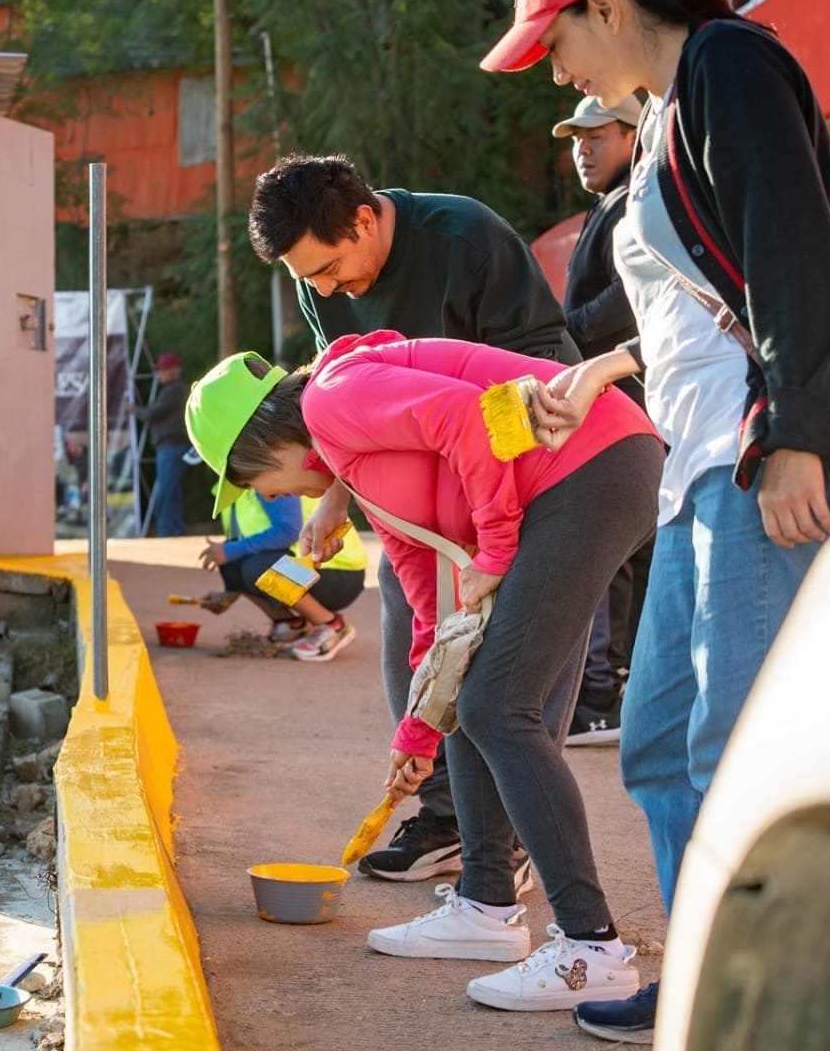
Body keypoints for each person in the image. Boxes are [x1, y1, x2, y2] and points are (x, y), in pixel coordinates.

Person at [483, 0, 830, 1039]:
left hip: (755, 459)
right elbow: (692, 302)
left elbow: (797, 253)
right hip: (693, 467)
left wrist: (794, 435)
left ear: (606, 4)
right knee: (658, 741)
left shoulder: (728, 64)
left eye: (554, 41)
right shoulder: (662, 113)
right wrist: (604, 370)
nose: (554, 69)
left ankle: (773, 995)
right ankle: (718, 969)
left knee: (731, 745)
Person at [186, 334, 662, 1011]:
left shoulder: (333, 398)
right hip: (576, 479)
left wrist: (496, 548)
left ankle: (591, 948)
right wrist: (417, 732)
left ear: (262, 450)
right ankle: (485, 906)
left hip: (590, 464)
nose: (274, 493)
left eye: (257, 483)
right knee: (472, 695)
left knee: (500, 709)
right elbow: (435, 615)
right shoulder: (365, 469)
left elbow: (467, 415)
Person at [247, 153, 581, 882]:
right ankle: (443, 813)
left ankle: (513, 834)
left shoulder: (464, 236)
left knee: (521, 644)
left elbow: (528, 376)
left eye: (332, 270)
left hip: (539, 452)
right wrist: (337, 496)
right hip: (439, 477)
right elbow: (343, 385)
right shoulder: (325, 282)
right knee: (408, 609)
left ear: (365, 219)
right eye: (313, 283)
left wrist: (491, 536)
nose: (330, 290)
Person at [554, 93, 650, 748]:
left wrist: (567, 335)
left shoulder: (632, 202)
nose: (582, 147)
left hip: (623, 398)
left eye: (596, 135)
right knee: (629, 554)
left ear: (631, 133)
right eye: (575, 139)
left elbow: (630, 294)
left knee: (613, 551)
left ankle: (599, 699)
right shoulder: (613, 205)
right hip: (619, 397)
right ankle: (615, 693)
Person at [201, 488, 368, 662]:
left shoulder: (264, 473)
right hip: (306, 568)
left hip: (337, 572)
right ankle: (291, 625)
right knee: (233, 560)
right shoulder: (234, 484)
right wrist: (231, 591)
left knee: (254, 564)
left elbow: (288, 530)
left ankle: (333, 625)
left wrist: (230, 551)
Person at [139, 353, 192, 537]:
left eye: (163, 369)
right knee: (170, 492)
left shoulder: (175, 390)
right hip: (172, 448)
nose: (160, 373)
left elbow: (154, 414)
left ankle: (169, 533)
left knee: (167, 493)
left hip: (171, 447)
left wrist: (136, 410)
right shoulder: (176, 390)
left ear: (174, 370)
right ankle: (173, 531)